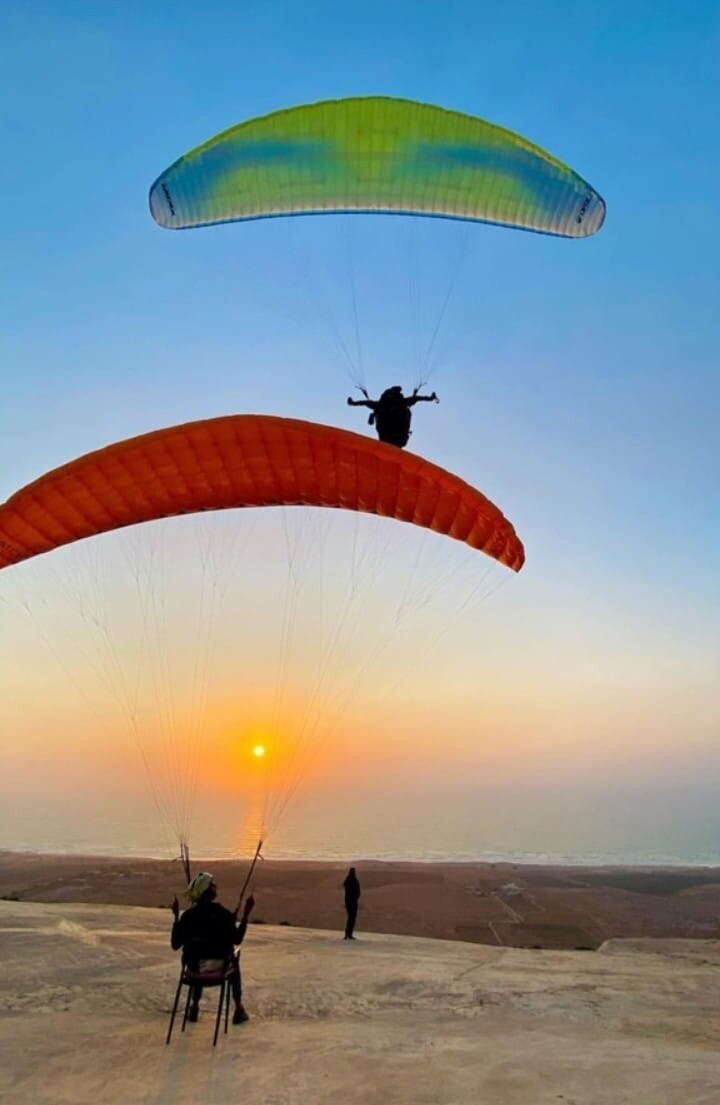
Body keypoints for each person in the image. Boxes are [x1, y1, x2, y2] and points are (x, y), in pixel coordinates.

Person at [171, 872, 255, 1025]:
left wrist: (176, 917)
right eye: (212, 885)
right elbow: (237, 939)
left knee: (198, 957)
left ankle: (194, 1006)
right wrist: (246, 915)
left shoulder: (188, 917)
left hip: (193, 971)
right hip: (219, 970)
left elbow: (175, 945)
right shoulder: (223, 915)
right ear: (207, 891)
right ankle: (238, 1008)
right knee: (235, 959)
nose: (215, 886)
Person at [346, 386, 439, 448]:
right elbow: (417, 398)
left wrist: (353, 403)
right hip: (394, 438)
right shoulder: (399, 403)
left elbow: (364, 403)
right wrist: (430, 398)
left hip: (391, 439)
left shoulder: (382, 404)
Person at [343, 866, 361, 940]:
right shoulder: (355, 881)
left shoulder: (347, 881)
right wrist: (356, 898)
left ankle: (347, 934)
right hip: (353, 903)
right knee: (352, 919)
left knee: (349, 918)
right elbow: (358, 892)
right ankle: (349, 934)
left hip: (348, 902)